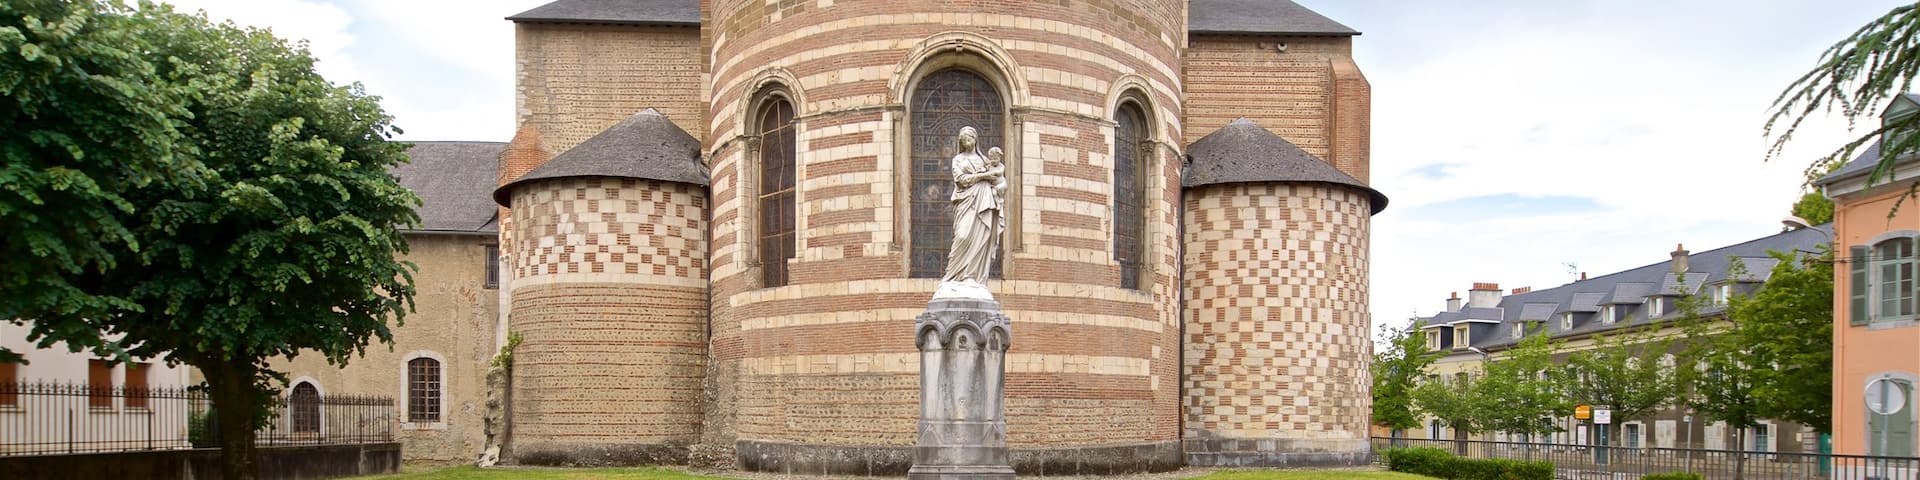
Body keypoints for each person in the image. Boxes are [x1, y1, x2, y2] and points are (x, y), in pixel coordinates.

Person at [943, 126, 1002, 285]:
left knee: (981, 236)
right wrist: (984, 175)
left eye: (969, 138)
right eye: (963, 140)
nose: (967, 141)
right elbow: (961, 179)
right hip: (965, 201)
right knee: (962, 235)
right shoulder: (958, 159)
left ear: (975, 139)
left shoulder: (984, 160)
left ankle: (971, 275)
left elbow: (999, 178)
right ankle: (953, 276)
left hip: (984, 200)